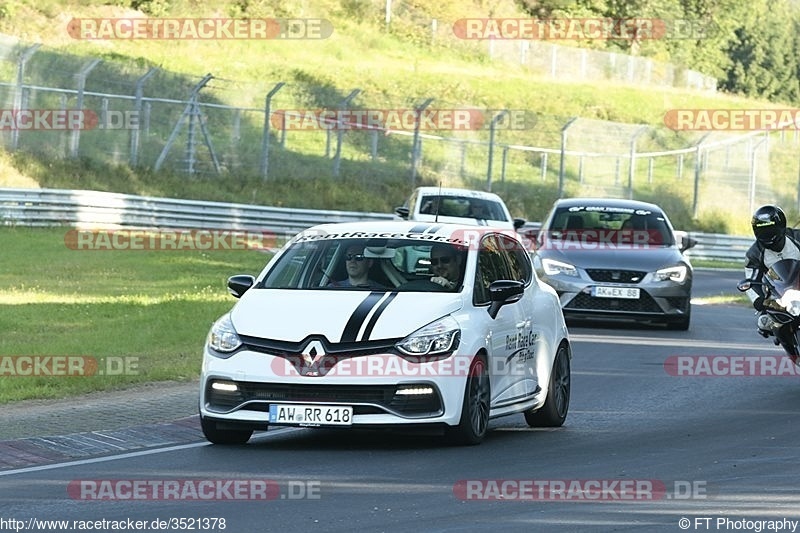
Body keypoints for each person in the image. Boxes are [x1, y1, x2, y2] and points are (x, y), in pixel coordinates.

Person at [744, 205, 800, 336]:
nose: (767, 235)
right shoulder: (754, 253)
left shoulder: (797, 238)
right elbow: (751, 282)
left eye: (770, 230)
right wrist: (760, 301)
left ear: (781, 226)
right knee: (763, 323)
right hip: (778, 299)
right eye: (763, 231)